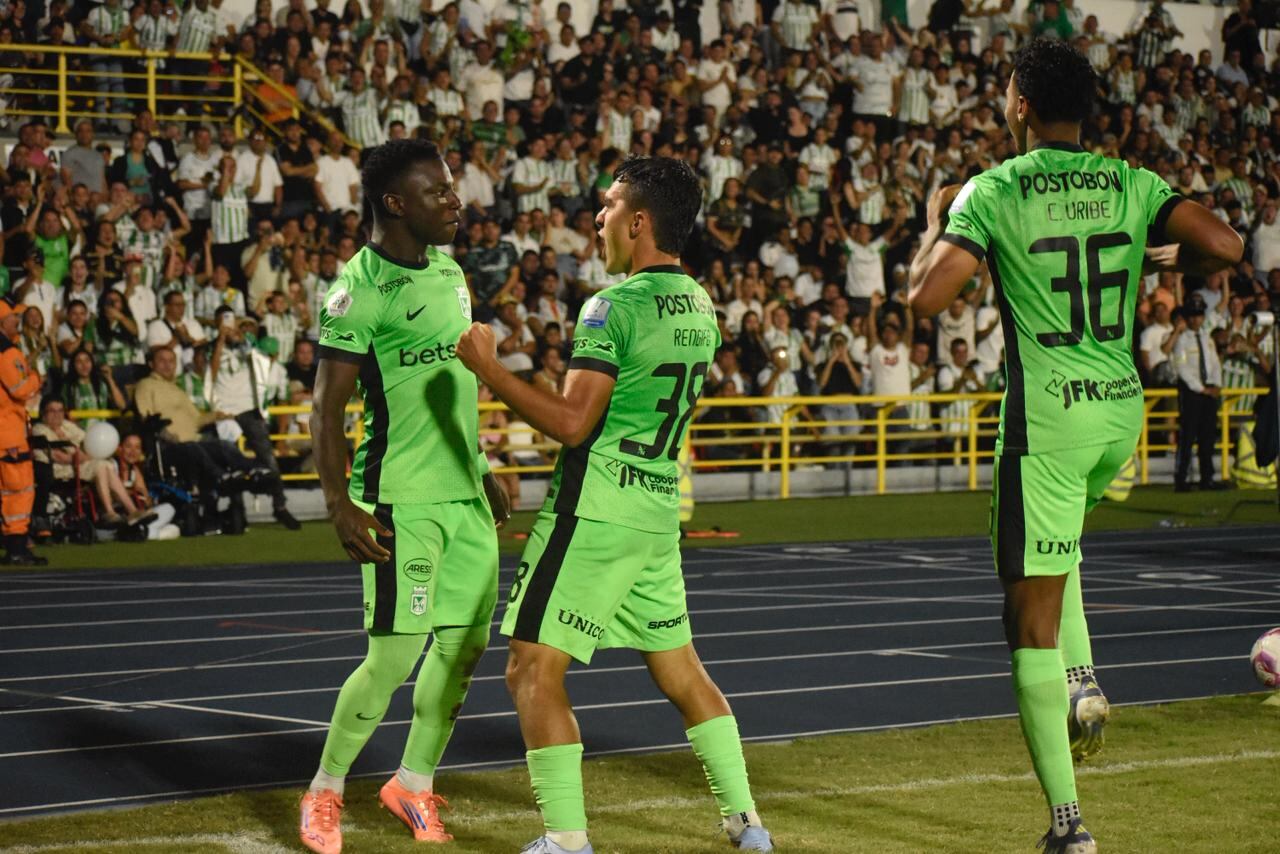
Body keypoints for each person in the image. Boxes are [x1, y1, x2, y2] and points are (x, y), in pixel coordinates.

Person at [908, 39, 1243, 853]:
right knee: (1061, 543)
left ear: (1020, 104)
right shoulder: (1131, 182)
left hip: (1049, 419)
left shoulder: (992, 189)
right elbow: (1229, 247)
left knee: (1026, 619)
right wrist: (1164, 257)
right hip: (1118, 414)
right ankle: (1084, 677)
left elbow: (925, 298)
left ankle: (1069, 826)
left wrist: (933, 222)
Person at [456, 156, 774, 854]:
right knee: (681, 670)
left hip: (596, 509)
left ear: (638, 221)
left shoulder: (612, 306)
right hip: (657, 513)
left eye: (606, 206)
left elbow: (573, 423)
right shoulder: (700, 304)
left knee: (532, 667)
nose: (596, 219)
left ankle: (566, 841)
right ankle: (747, 824)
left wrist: (487, 368)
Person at [300, 139, 510, 854]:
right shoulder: (358, 291)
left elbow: (449, 388)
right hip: (397, 502)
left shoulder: (450, 272)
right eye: (439, 193)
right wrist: (338, 504)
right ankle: (325, 791)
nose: (457, 202)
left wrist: (480, 467)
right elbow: (326, 411)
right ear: (395, 203)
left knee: (463, 652)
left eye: (452, 191)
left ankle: (412, 785)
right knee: (393, 658)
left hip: (464, 500)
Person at [0, 301, 45, 565]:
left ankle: (15, 545)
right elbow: (21, 388)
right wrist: (37, 378)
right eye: (13, 318)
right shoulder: (6, 352)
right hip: (8, 433)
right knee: (19, 490)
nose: (18, 321)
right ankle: (17, 547)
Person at [1172, 304, 1225, 491]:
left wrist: (1217, 384)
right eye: (1192, 316)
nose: (1196, 320)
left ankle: (1207, 478)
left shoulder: (1206, 338)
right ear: (1187, 319)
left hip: (1209, 391)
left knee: (1208, 437)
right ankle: (1181, 479)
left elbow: (1215, 363)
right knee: (1187, 436)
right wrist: (1201, 388)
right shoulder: (1182, 340)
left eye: (1199, 316)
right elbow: (1181, 368)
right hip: (1192, 393)